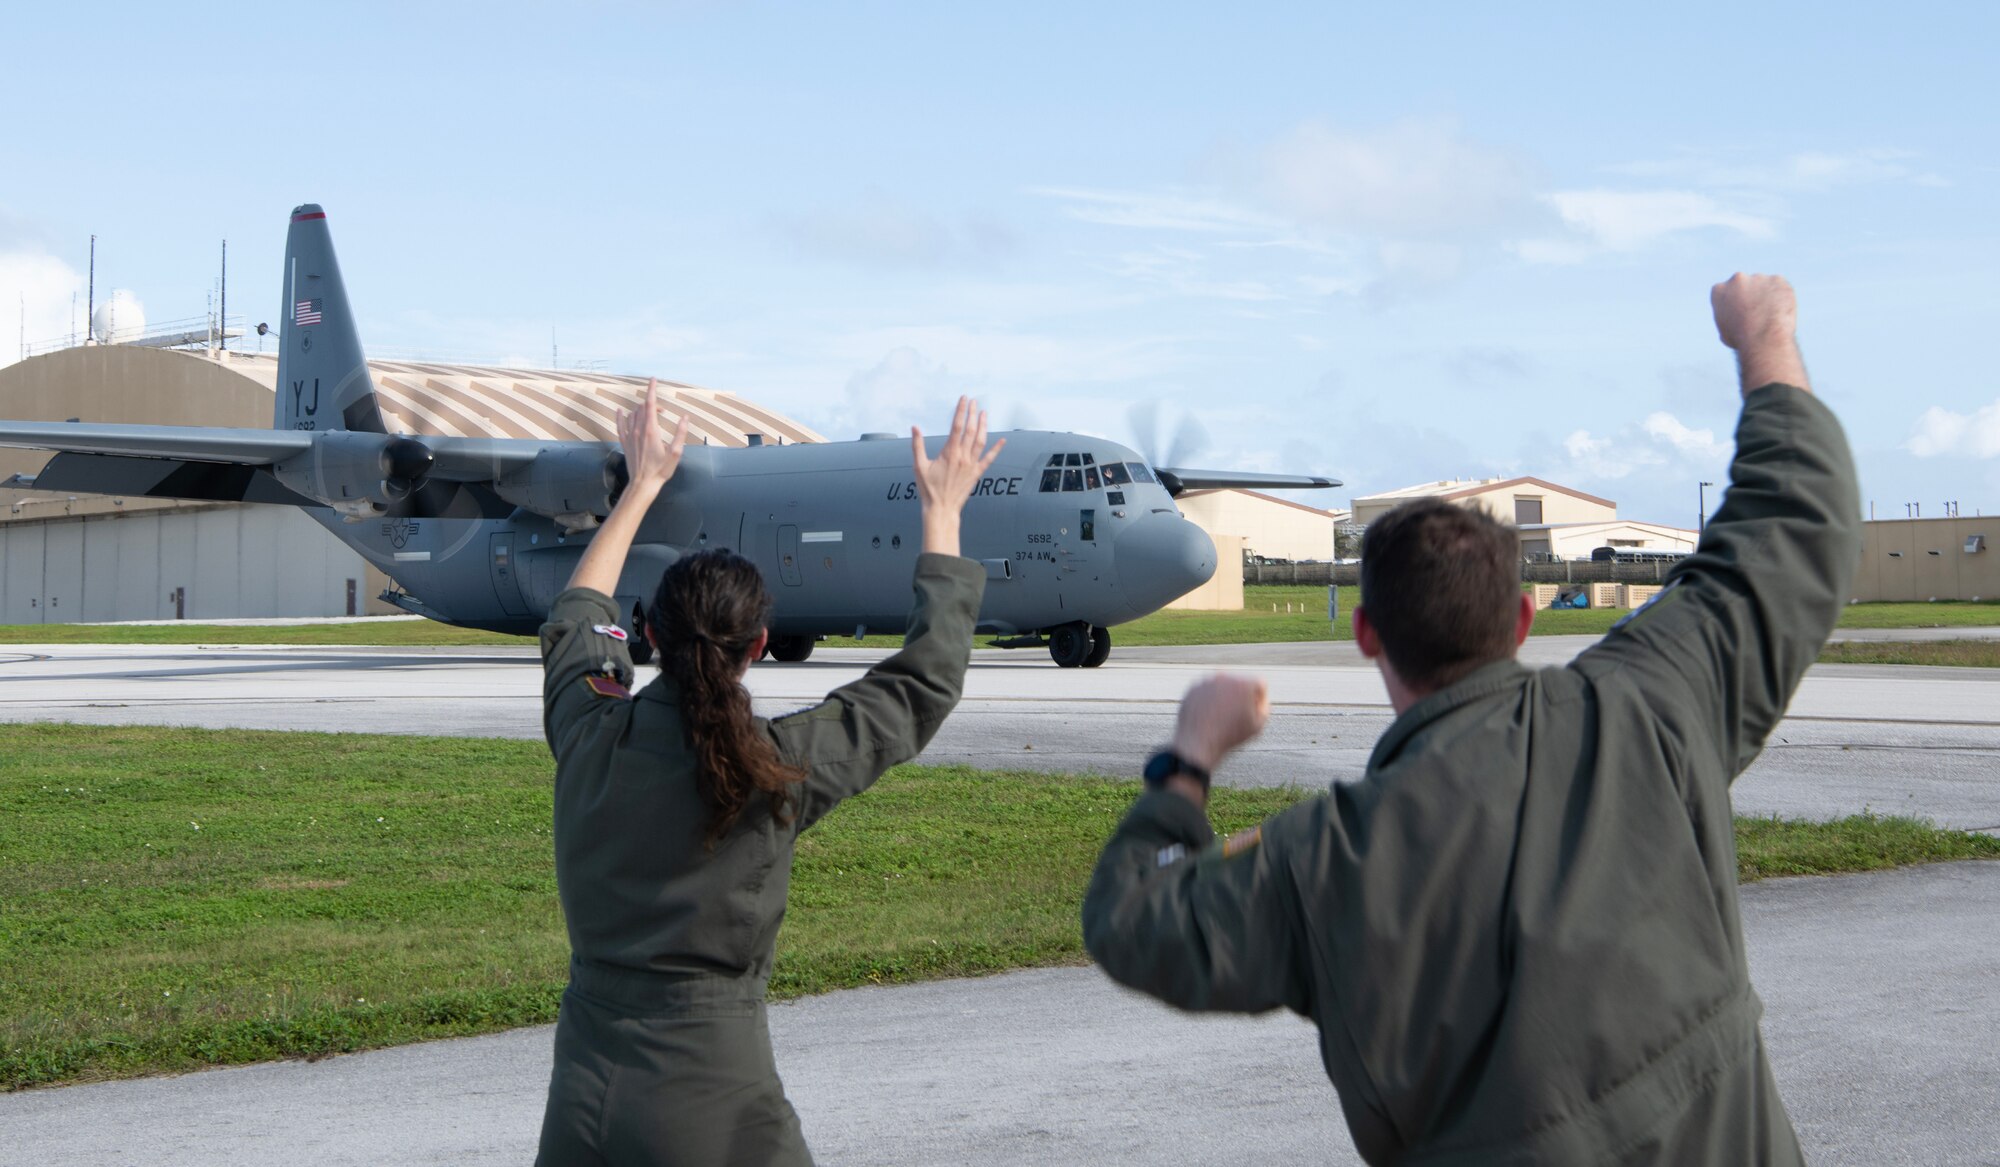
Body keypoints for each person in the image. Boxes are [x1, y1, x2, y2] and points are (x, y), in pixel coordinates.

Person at [1082, 274, 1859, 1165]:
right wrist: (1764, 338)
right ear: (1522, 621)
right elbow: (1795, 522)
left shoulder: (1320, 861)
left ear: (1368, 635)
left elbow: (1127, 919)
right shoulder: (1647, 706)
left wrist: (1190, 757)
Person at [534, 382, 1003, 1166]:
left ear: (648, 632)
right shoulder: (774, 770)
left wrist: (641, 484)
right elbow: (922, 684)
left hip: (583, 1101)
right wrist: (943, 512)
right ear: (757, 645)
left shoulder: (590, 733)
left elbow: (578, 613)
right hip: (716, 1102)